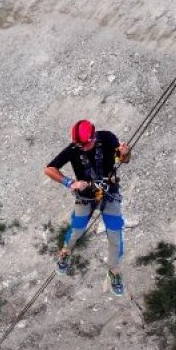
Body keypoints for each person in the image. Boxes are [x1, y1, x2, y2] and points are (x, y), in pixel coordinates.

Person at [43, 119, 132, 296]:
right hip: (85, 197)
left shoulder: (107, 138)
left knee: (115, 236)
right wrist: (70, 182)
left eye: (84, 144)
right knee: (77, 229)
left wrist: (125, 153)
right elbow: (49, 169)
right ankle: (66, 252)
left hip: (109, 193)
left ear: (93, 137)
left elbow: (124, 159)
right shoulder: (74, 148)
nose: (81, 148)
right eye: (78, 145)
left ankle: (113, 271)